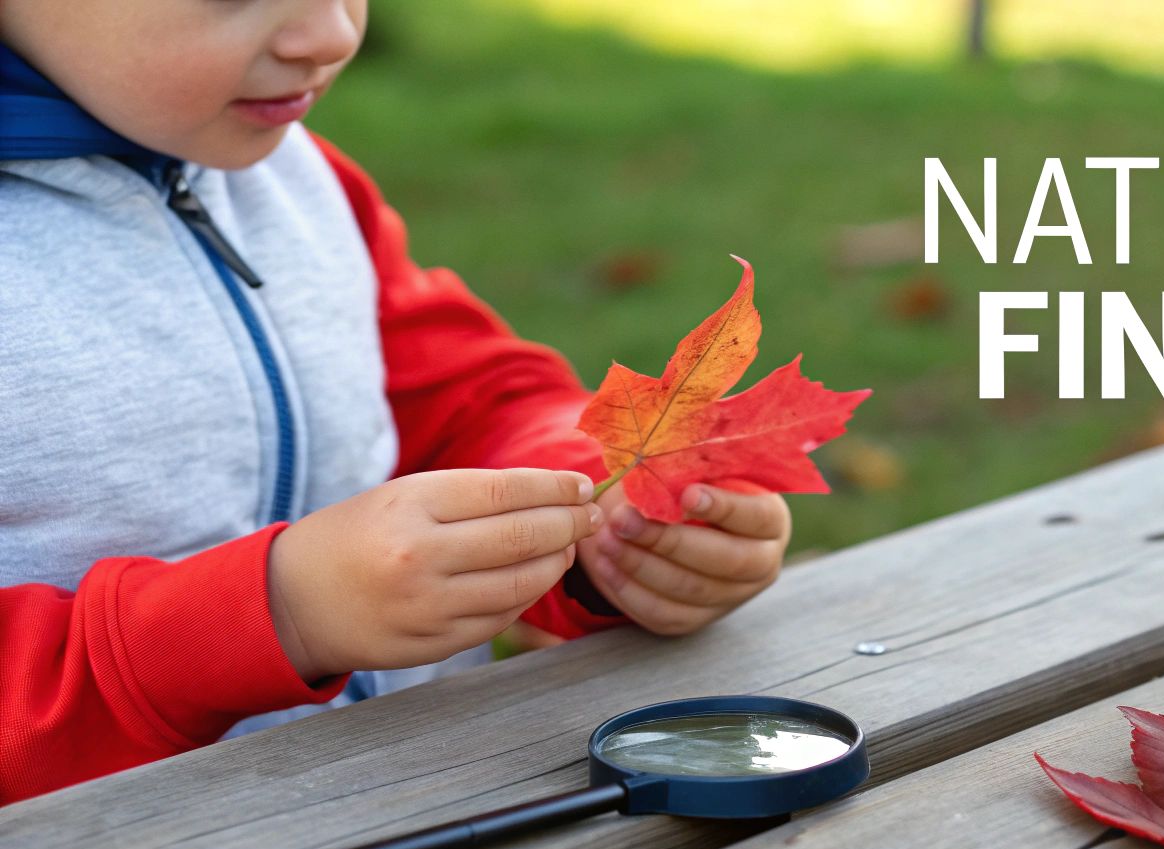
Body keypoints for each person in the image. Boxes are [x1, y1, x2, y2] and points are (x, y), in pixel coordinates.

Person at [0, 0, 791, 804]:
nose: (333, 35)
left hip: (427, 814)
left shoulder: (294, 176)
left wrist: (599, 523)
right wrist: (276, 615)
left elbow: (458, 397)